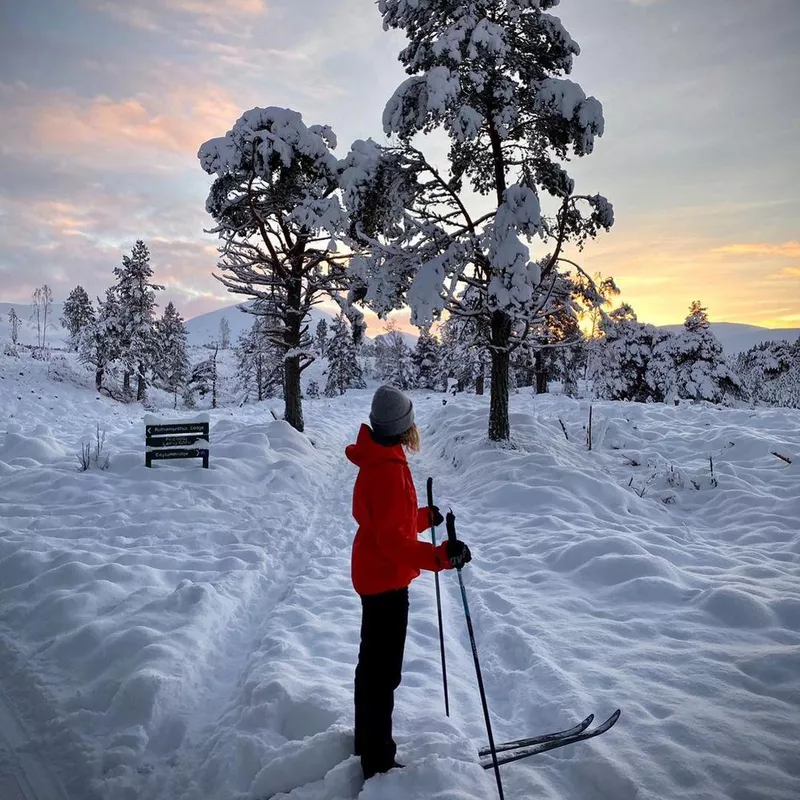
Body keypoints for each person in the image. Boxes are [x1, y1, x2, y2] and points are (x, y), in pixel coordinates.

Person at [346, 385, 472, 780]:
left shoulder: (381, 459)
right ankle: (377, 760)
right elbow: (394, 544)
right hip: (384, 582)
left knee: (374, 670)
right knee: (382, 674)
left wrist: (421, 517)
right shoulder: (386, 471)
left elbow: (389, 525)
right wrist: (439, 556)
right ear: (403, 427)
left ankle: (367, 743)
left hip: (376, 574)